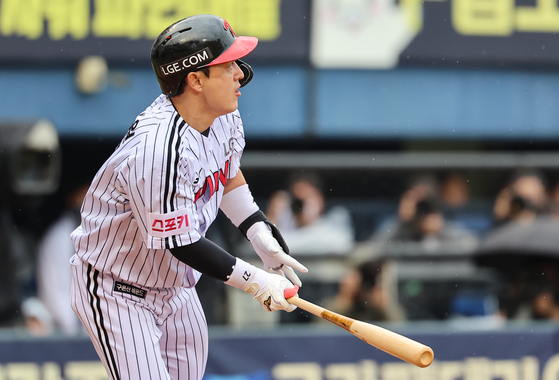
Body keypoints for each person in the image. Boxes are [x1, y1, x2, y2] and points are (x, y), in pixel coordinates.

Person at [69, 15, 308, 380]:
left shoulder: (224, 115)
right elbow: (180, 242)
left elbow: (225, 172)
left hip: (177, 287)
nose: (240, 74)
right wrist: (256, 281)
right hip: (116, 289)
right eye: (227, 66)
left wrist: (256, 228)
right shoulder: (157, 148)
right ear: (195, 79)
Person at [265, 171, 355, 255]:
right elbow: (260, 247)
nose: (300, 207)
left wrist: (309, 223)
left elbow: (342, 245)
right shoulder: (281, 227)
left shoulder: (335, 219)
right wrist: (272, 218)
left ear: (319, 199)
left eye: (304, 200)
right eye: (296, 201)